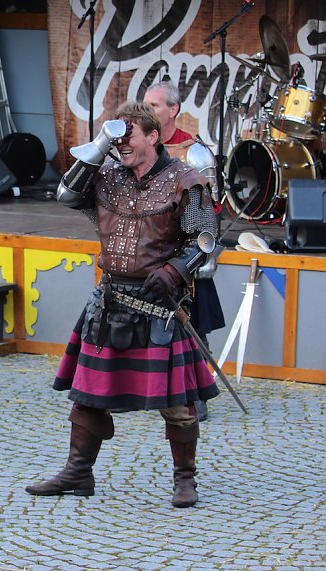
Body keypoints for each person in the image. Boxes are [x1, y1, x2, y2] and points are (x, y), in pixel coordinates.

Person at [24, 102, 220, 508]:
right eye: (117, 135)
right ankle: (79, 472)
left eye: (129, 134)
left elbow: (205, 241)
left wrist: (175, 270)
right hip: (109, 300)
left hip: (158, 306)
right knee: (88, 393)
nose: (122, 142)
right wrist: (100, 146)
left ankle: (185, 479)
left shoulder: (185, 180)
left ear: (153, 136)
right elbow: (66, 194)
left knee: (177, 403)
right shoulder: (108, 176)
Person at [144, 81, 225, 421]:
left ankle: (195, 394)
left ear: (173, 110)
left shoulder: (195, 153)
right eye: (144, 104)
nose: (146, 111)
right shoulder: (137, 147)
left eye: (154, 106)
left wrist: (198, 257)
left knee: (192, 327)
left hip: (185, 251)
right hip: (148, 248)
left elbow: (209, 214)